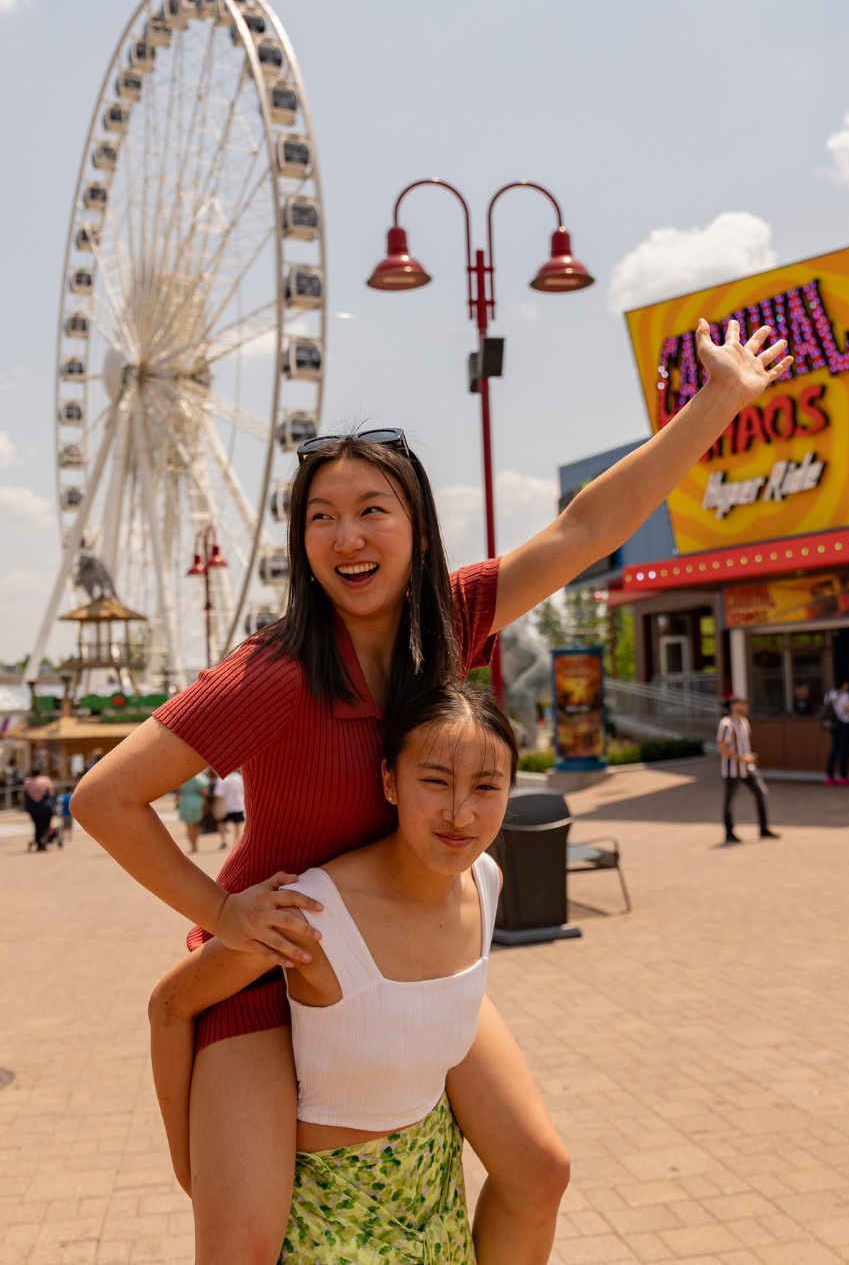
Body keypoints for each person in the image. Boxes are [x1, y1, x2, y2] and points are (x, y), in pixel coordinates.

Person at [72, 319, 794, 1265]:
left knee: (540, 1168)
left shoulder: (455, 620)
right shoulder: (274, 674)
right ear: (300, 543)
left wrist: (716, 403)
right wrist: (223, 913)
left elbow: (586, 529)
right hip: (271, 970)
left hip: (402, 944)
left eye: (372, 508)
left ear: (416, 525)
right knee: (242, 1243)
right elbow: (102, 798)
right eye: (320, 516)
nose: (347, 535)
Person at [149, 686, 540, 1263]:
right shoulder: (313, 914)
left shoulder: (485, 880)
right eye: (434, 782)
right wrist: (189, 1164)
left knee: (544, 1170)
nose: (461, 813)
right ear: (389, 783)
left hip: (430, 1187)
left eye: (486, 787)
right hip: (333, 1216)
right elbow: (170, 1004)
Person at [717, 695, 779, 844]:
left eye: (746, 704)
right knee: (730, 801)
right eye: (741, 704)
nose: (745, 707)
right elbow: (722, 748)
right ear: (733, 706)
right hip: (732, 770)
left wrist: (748, 757)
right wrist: (741, 758)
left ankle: (764, 829)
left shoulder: (744, 722)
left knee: (761, 793)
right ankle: (729, 832)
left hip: (747, 768)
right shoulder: (726, 724)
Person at [824, 680, 849, 785]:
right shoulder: (846, 695)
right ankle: (843, 776)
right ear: (844, 684)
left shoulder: (829, 694)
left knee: (834, 749)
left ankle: (829, 776)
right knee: (843, 750)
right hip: (844, 724)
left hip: (833, 724)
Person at [23, 764, 55, 851]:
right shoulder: (45, 780)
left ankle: (38, 843)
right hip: (45, 806)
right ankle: (43, 839)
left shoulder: (27, 782)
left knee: (37, 825)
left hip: (33, 807)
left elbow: (25, 795)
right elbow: (51, 793)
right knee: (46, 825)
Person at [177, 772, 208, 854]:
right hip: (197, 801)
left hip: (186, 802)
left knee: (189, 826)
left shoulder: (183, 777)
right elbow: (205, 791)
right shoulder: (201, 777)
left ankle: (192, 846)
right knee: (196, 825)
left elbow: (179, 791)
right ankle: (196, 845)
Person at [213, 769, 244, 848]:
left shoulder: (222, 778)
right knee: (237, 824)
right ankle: (236, 841)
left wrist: (215, 805)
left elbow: (218, 794)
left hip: (225, 806)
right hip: (237, 805)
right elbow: (243, 790)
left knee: (221, 823)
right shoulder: (238, 778)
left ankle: (223, 840)